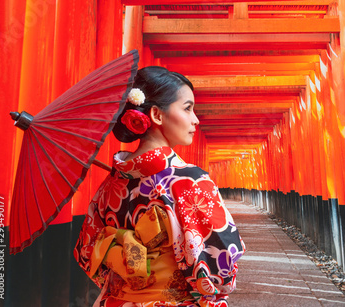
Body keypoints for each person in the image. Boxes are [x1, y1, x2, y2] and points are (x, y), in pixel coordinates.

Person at [74, 66, 245, 307]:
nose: (195, 119)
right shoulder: (189, 181)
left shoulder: (109, 185)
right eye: (187, 108)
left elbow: (86, 254)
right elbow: (222, 267)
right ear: (156, 114)